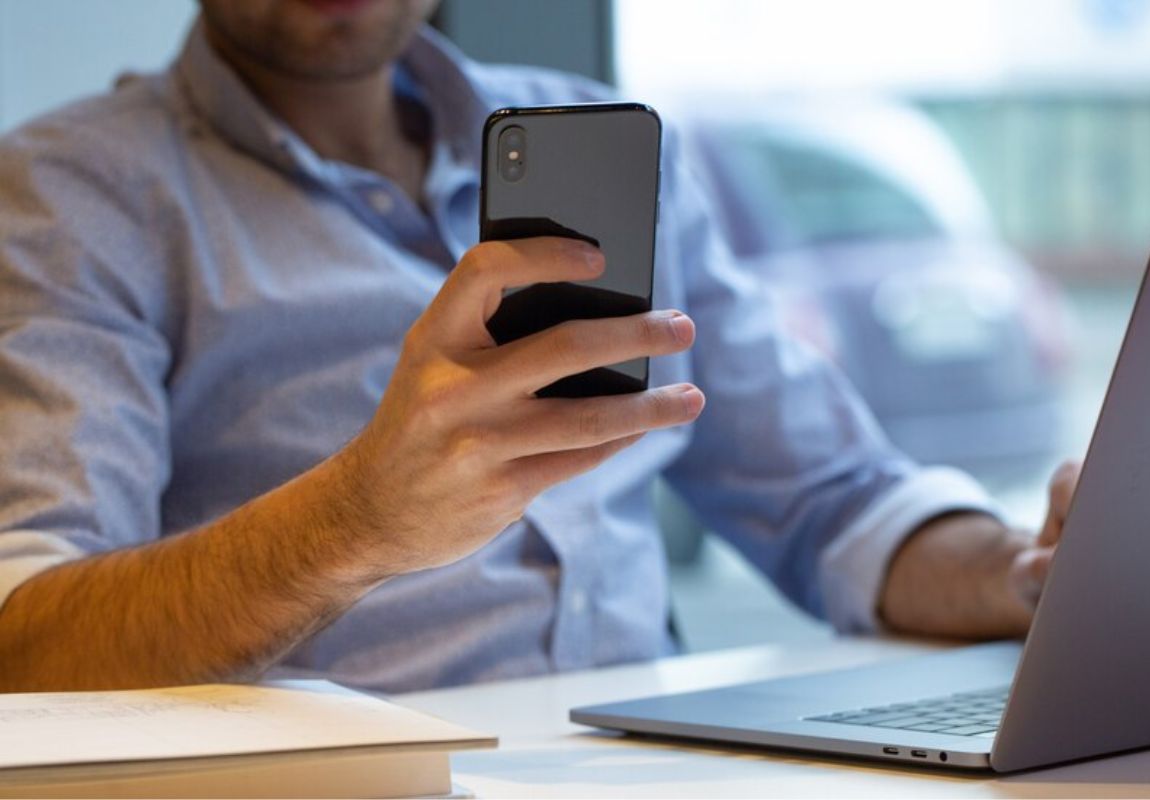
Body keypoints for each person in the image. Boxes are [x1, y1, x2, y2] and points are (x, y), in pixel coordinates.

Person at [0, 0, 1078, 693]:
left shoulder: (600, 135)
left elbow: (835, 498)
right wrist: (357, 519)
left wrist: (1026, 575)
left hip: (647, 766)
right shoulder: (74, 193)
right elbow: (28, 638)